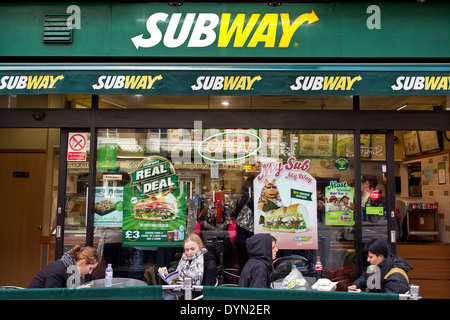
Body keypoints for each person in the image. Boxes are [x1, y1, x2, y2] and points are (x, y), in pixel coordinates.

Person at [159, 233, 217, 299]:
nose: (189, 253)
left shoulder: (208, 261)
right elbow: (177, 282)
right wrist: (167, 276)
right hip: (181, 294)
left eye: (192, 249)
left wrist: (187, 285)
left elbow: (209, 290)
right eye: (187, 250)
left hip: (198, 297)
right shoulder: (184, 259)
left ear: (200, 247)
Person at [348, 239, 412, 294]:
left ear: (381, 256)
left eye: (371, 257)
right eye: (367, 257)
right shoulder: (375, 266)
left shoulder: (396, 275)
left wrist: (361, 295)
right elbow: (365, 278)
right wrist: (356, 285)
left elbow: (389, 298)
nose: (368, 260)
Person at [29, 245, 99, 288]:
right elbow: (53, 295)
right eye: (90, 268)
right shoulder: (59, 270)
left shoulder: (68, 269)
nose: (90, 272)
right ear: (83, 263)